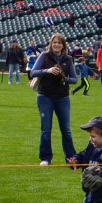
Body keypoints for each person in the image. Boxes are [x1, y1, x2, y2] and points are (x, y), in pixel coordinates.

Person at [31, 32, 79, 166]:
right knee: (46, 129)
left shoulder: (68, 59)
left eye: (59, 43)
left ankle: (71, 158)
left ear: (63, 45)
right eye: (54, 42)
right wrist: (48, 70)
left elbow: (74, 79)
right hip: (45, 97)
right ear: (51, 44)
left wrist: (64, 78)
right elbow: (33, 72)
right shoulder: (44, 56)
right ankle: (45, 158)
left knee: (66, 130)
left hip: (63, 98)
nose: (56, 45)